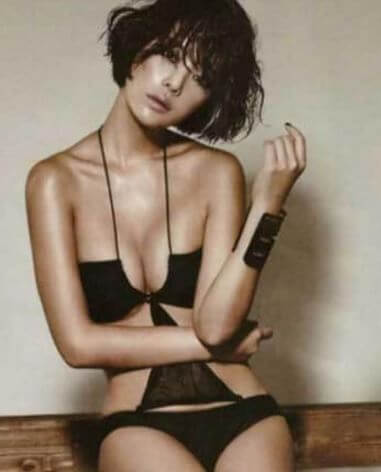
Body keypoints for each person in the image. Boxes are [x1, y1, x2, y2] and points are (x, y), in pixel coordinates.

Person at [25, 0, 306, 470]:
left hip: (245, 412)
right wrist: (219, 347)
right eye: (171, 54)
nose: (175, 82)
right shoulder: (54, 182)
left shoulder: (217, 172)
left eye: (201, 77)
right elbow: (77, 344)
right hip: (138, 423)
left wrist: (266, 208)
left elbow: (216, 324)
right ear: (138, 45)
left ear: (210, 99)